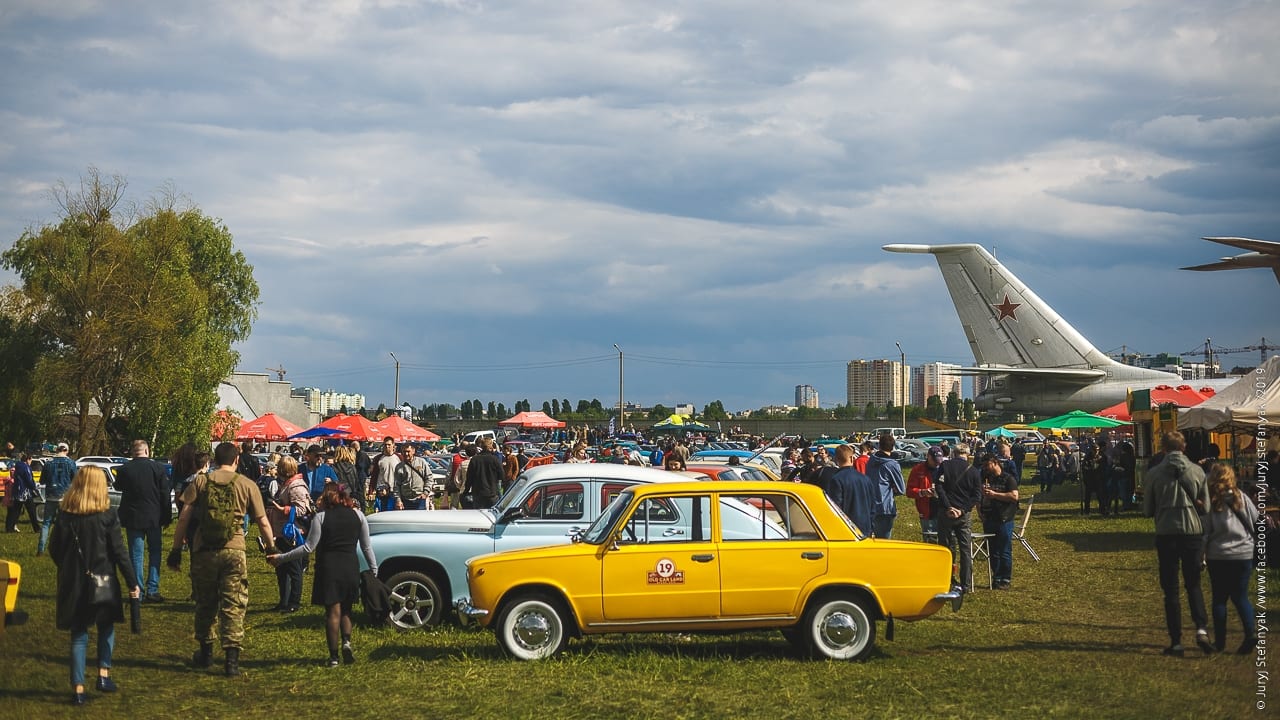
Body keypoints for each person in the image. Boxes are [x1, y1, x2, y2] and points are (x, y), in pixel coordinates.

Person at [167, 442, 275, 676]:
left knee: (205, 602)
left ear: (214, 460)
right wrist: (271, 548)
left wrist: (176, 549)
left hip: (204, 550)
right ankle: (231, 660)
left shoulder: (201, 482)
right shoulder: (246, 484)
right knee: (233, 603)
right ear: (237, 460)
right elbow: (262, 521)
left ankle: (205, 653)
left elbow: (184, 517)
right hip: (235, 550)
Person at [48, 466, 141, 705]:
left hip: (74, 581)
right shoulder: (107, 515)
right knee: (106, 627)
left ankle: (78, 688)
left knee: (79, 635)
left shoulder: (65, 514)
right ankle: (103, 674)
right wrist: (132, 582)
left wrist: (67, 567)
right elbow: (119, 552)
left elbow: (54, 549)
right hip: (103, 579)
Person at [268, 484, 378, 667]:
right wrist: (374, 569)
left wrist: (281, 558)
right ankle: (347, 642)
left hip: (329, 567)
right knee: (346, 610)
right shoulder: (359, 516)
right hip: (350, 566)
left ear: (328, 499)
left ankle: (334, 657)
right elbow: (366, 547)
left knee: (332, 613)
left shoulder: (321, 517)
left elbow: (308, 548)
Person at [1142, 431, 1213, 656]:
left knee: (1170, 588)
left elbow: (1147, 510)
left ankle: (1176, 641)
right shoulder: (1197, 471)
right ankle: (1201, 629)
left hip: (1166, 532)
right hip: (1192, 533)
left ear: (1163, 448)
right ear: (1184, 448)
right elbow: (1206, 508)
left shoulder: (1154, 474)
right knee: (1193, 584)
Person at [1202, 463, 1258, 654]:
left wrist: (1201, 554)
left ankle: (1220, 642)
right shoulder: (1241, 497)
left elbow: (1205, 531)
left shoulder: (1211, 501)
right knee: (1241, 596)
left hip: (1218, 554)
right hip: (1243, 553)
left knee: (1219, 598)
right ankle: (1250, 632)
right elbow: (1255, 518)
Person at [114, 439, 172, 603]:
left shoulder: (125, 469)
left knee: (136, 555)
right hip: (154, 517)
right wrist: (167, 516)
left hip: (133, 517)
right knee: (155, 552)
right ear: (147, 451)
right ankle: (153, 589)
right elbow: (165, 494)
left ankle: (137, 591)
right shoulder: (158, 468)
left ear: (133, 452)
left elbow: (118, 487)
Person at [933, 443, 982, 592]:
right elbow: (977, 495)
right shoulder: (973, 471)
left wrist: (948, 506)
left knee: (946, 548)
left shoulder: (945, 466)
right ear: (968, 454)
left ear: (953, 453)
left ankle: (947, 579)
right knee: (965, 549)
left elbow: (939, 487)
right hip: (963, 515)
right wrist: (962, 510)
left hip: (945, 512)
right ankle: (966, 584)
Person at [268, 456, 311, 613]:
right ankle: (284, 601)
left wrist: (283, 509)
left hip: (293, 533)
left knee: (294, 569)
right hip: (282, 532)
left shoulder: (296, 486)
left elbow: (302, 509)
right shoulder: (286, 484)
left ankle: (294, 602)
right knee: (282, 569)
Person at [979, 453, 1019, 590]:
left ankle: (1005, 578)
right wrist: (980, 511)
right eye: (983, 466)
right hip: (989, 518)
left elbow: (1014, 496)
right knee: (993, 550)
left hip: (1004, 519)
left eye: (987, 465)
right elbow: (978, 496)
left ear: (995, 463)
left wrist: (995, 495)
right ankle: (996, 577)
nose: (985, 468)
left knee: (1004, 550)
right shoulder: (985, 478)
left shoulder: (1008, 479)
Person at [823, 444, 877, 537]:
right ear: (852, 458)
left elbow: (835, 507)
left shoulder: (836, 480)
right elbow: (873, 505)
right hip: (865, 527)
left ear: (836, 460)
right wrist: (871, 526)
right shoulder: (865, 479)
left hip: (847, 529)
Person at [37, 442, 78, 556]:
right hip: (65, 497)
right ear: (67, 451)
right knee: (65, 524)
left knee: (46, 524)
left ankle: (40, 549)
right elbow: (76, 480)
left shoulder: (48, 463)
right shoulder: (71, 463)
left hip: (51, 496)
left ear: (56, 450)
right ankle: (63, 549)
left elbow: (42, 481)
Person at [864, 434, 905, 539]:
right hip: (885, 507)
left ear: (879, 445)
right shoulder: (892, 464)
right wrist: (891, 490)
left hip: (870, 504)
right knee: (884, 540)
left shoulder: (870, 461)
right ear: (892, 446)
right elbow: (901, 489)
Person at [906, 447, 944, 542]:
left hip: (944, 511)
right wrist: (922, 492)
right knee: (929, 541)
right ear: (928, 456)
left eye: (939, 460)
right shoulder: (918, 469)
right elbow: (909, 491)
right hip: (927, 512)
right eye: (934, 460)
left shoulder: (945, 468)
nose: (937, 463)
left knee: (945, 541)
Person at [5, 453, 41, 533]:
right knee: (32, 511)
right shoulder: (26, 467)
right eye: (31, 460)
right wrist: (34, 487)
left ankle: (10, 527)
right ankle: (37, 528)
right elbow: (29, 479)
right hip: (26, 493)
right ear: (28, 459)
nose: (31, 462)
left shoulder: (18, 466)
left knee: (15, 511)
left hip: (18, 492)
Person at [464, 438, 504, 508]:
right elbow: (502, 475)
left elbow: (469, 478)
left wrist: (466, 491)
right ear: (491, 446)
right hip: (492, 493)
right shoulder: (494, 459)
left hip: (478, 493)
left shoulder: (474, 460)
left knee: (478, 514)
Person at [393, 443, 432, 510]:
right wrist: (398, 499)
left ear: (413, 451)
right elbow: (396, 485)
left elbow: (429, 478)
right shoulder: (399, 467)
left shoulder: (421, 462)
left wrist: (425, 492)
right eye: (404, 452)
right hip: (405, 500)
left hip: (420, 498)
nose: (406, 454)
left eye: (408, 451)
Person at [331, 445, 366, 513]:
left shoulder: (334, 467)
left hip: (339, 495)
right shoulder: (352, 467)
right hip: (352, 495)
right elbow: (356, 482)